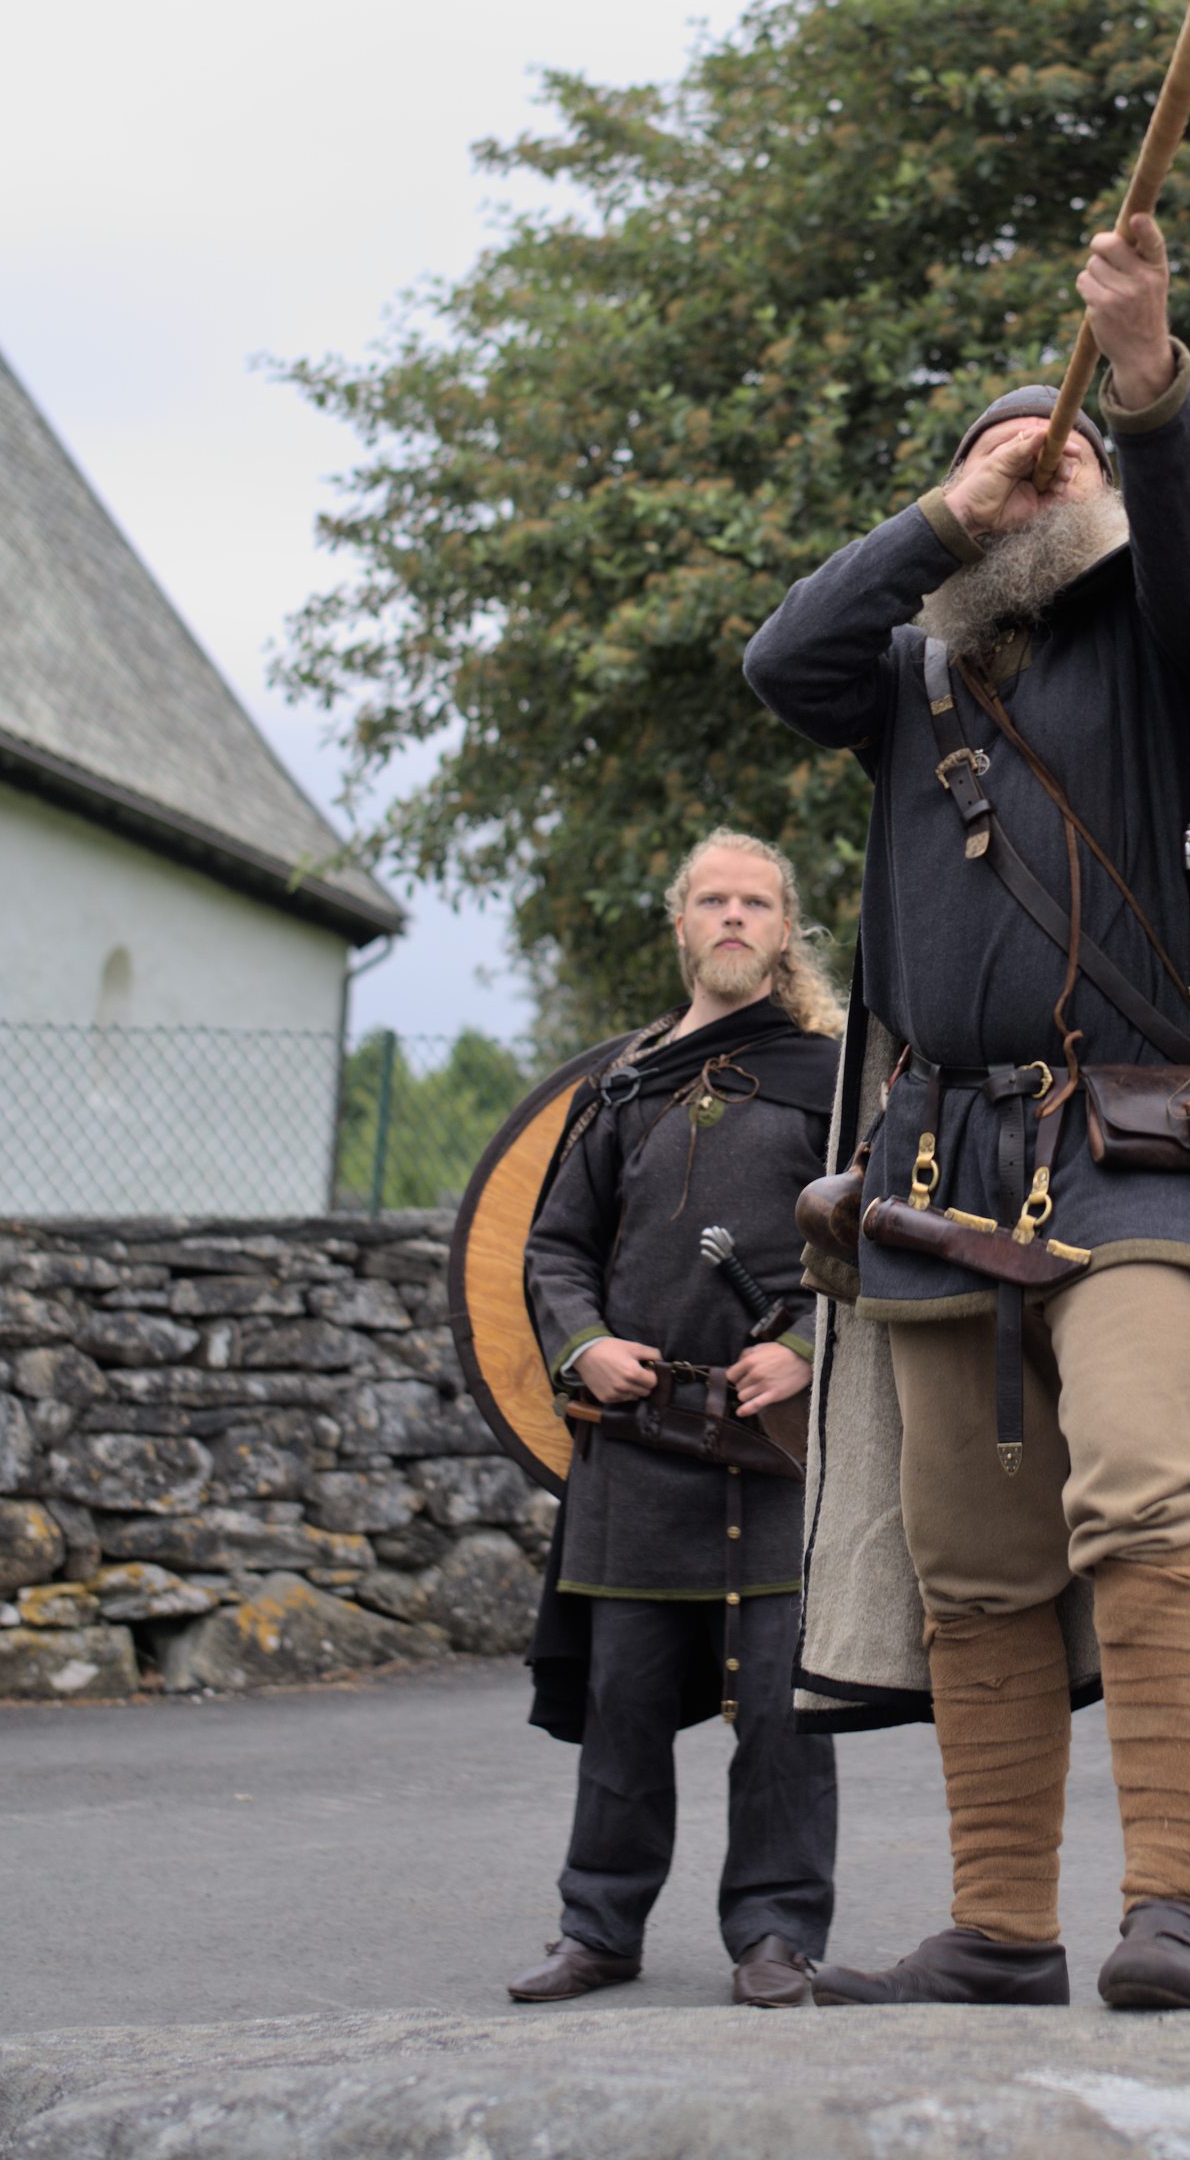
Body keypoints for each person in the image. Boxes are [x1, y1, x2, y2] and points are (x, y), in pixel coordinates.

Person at [743, 213, 1190, 2012]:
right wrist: (948, 510)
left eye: (1056, 468)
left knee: (1142, 1485)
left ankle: (1178, 1908)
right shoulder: (906, 676)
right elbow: (779, 660)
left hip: (1140, 1147)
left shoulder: (1158, 637)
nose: (1033, 482)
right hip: (935, 1164)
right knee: (972, 1561)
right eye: (1007, 467)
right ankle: (1001, 1927)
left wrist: (1142, 381)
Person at [508, 830, 844, 2010]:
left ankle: (775, 1936)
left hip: (774, 1455)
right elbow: (553, 1246)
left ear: (785, 928)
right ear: (681, 923)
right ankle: (597, 1930)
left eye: (755, 901)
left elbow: (875, 1242)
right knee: (623, 1707)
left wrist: (803, 1346)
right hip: (639, 1448)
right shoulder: (623, 1087)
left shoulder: (834, 1081)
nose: (734, 916)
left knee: (782, 1719)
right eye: (713, 899)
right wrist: (584, 1345)